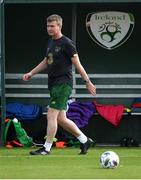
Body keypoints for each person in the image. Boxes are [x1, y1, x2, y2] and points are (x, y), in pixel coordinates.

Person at [23, 14, 96, 155]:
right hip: (53, 84)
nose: (49, 28)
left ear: (59, 26)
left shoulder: (67, 43)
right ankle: (84, 140)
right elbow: (46, 61)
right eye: (48, 26)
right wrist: (31, 73)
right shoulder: (50, 43)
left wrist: (87, 82)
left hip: (63, 85)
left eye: (52, 26)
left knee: (51, 115)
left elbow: (78, 65)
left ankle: (46, 148)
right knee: (61, 119)